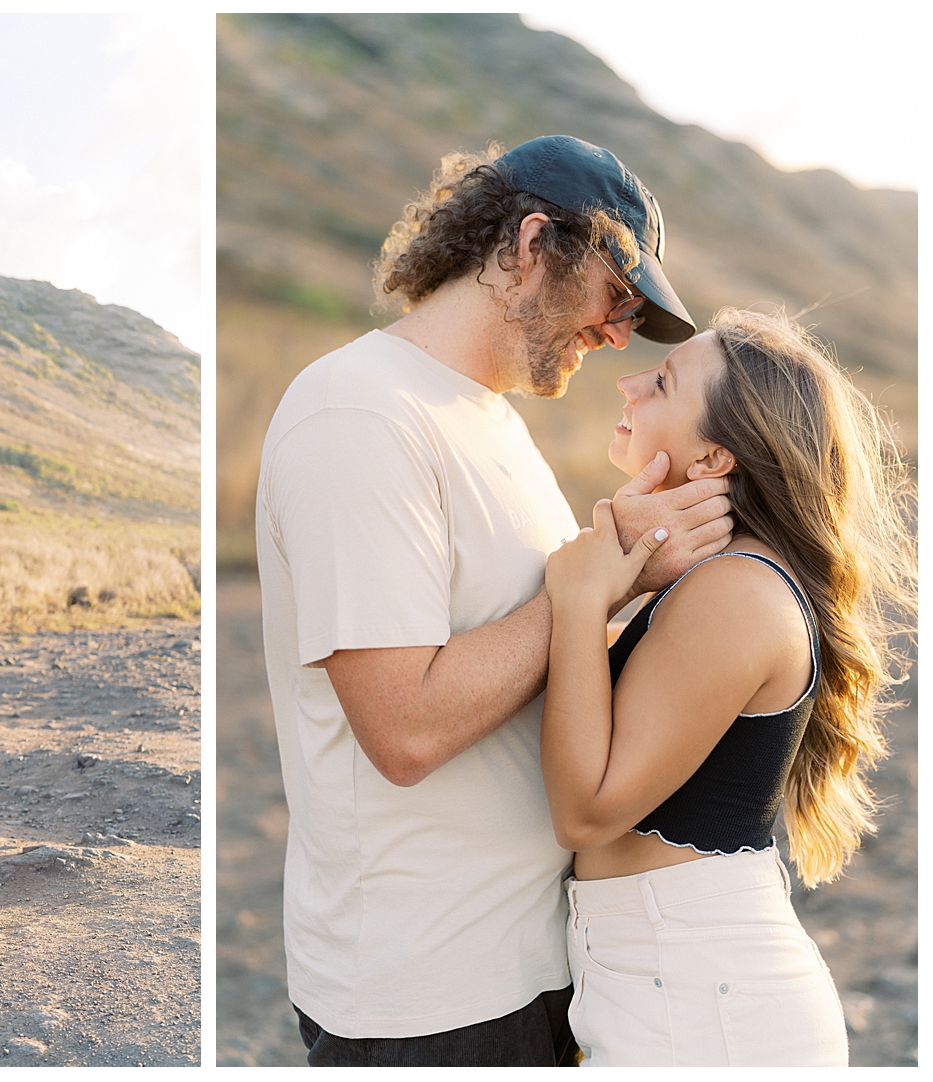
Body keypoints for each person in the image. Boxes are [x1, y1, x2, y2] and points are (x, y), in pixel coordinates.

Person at [256, 136, 734, 1066]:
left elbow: (551, 638)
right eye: (616, 293)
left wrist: (623, 578)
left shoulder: (489, 417)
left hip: (532, 966)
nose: (619, 331)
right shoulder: (358, 414)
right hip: (426, 1000)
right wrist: (606, 574)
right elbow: (404, 728)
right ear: (529, 245)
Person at [540, 308, 914, 1066]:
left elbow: (586, 814)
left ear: (712, 459)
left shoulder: (737, 592)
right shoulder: (722, 578)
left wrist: (582, 600)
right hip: (675, 985)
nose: (631, 380)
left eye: (664, 381)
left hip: (705, 1005)